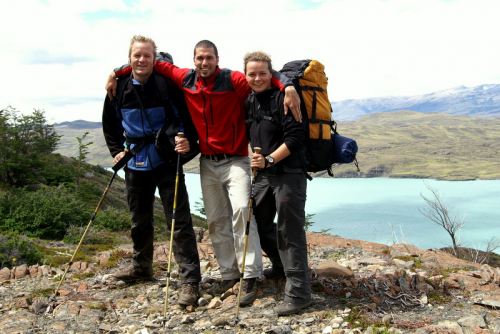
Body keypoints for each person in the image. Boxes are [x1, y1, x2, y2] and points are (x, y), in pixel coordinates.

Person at [105, 40, 302, 306]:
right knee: (216, 221)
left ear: (217, 59)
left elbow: (263, 77)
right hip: (207, 163)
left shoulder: (233, 79)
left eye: (209, 57)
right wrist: (116, 72)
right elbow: (146, 62)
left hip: (236, 160)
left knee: (242, 213)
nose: (204, 62)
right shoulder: (185, 77)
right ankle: (230, 275)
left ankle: (251, 276)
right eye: (200, 58)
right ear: (194, 59)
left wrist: (288, 85)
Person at [102, 35, 201, 306]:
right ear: (129, 58)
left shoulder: (167, 85)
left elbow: (189, 120)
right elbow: (110, 125)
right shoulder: (118, 87)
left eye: (147, 55)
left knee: (179, 222)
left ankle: (190, 281)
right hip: (134, 162)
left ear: (154, 59)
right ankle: (141, 267)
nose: (141, 60)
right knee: (139, 220)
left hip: (167, 161)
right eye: (137, 55)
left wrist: (186, 142)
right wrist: (116, 152)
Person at [244, 51, 312, 315]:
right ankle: (281, 267)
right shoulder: (250, 101)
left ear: (271, 74)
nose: (257, 78)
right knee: (259, 223)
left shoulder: (283, 97)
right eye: (252, 74)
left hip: (288, 173)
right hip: (264, 175)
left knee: (289, 231)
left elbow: (295, 138)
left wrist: (269, 160)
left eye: (263, 73)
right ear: (246, 75)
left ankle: (299, 293)